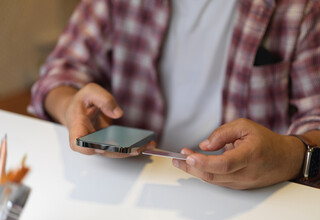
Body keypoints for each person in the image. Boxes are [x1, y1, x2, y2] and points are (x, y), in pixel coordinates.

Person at [28, 0, 320, 190]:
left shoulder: (302, 7)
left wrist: (289, 154)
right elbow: (60, 72)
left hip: (255, 195)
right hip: (135, 178)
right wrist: (70, 106)